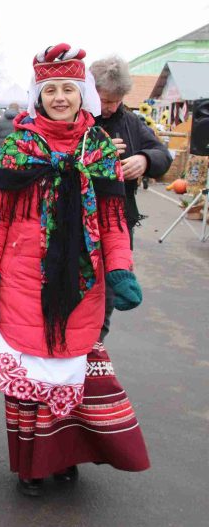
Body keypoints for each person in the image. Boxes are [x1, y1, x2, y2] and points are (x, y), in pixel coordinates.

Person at [0, 44, 149, 497]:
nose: (60, 97)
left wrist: (121, 273)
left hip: (82, 287)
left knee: (70, 377)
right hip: (22, 285)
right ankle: (31, 464)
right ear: (38, 96)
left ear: (83, 93)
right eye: (50, 89)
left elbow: (112, 223)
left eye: (68, 88)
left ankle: (64, 455)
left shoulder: (100, 150)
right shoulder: (16, 148)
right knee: (29, 380)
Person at [90, 56, 172, 342]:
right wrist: (93, 154)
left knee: (108, 297)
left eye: (116, 100)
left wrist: (144, 159)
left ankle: (96, 354)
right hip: (78, 223)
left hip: (119, 223)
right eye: (104, 100)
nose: (110, 107)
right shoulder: (77, 120)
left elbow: (164, 156)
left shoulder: (131, 123)